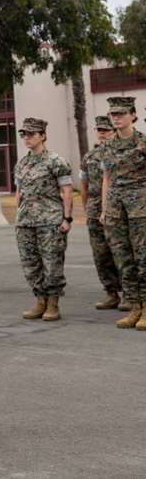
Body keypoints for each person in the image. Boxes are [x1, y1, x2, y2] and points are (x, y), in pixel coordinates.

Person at [14, 117, 73, 322]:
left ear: (43, 136)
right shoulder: (22, 163)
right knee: (30, 264)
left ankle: (53, 303)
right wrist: (18, 216)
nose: (27, 137)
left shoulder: (56, 161)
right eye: (24, 134)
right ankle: (40, 301)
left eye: (31, 134)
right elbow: (19, 192)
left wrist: (67, 218)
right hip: (25, 222)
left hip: (50, 221)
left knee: (52, 263)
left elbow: (67, 192)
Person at [100, 96, 146, 330]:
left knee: (143, 257)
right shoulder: (107, 145)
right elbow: (106, 178)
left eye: (120, 113)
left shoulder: (144, 143)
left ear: (133, 115)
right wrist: (105, 208)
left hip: (141, 206)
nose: (115, 118)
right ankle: (134, 306)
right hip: (116, 207)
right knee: (123, 258)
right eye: (113, 114)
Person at [79, 115, 122, 310]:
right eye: (99, 130)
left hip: (120, 209)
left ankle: (131, 294)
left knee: (122, 253)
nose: (102, 134)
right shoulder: (89, 157)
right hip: (96, 211)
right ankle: (111, 293)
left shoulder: (122, 153)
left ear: (114, 132)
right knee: (101, 254)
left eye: (107, 130)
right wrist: (87, 212)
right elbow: (84, 187)